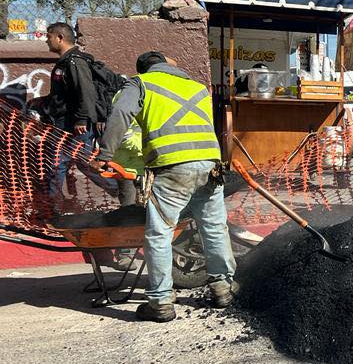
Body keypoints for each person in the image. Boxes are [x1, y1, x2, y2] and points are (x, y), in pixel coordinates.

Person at [92, 51, 235, 323]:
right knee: (214, 227)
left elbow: (121, 113)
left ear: (144, 69)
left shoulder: (140, 83)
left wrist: (104, 156)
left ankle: (159, 302)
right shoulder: (198, 87)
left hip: (172, 166)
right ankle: (223, 288)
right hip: (209, 163)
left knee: (159, 234)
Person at [39, 22, 106, 200]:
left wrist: (82, 120)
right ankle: (51, 207)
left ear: (60, 38)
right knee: (61, 164)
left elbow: (86, 91)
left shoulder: (75, 61)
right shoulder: (65, 63)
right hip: (64, 125)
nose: (46, 41)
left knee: (73, 163)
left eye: (49, 36)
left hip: (76, 126)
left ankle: (122, 189)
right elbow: (64, 95)